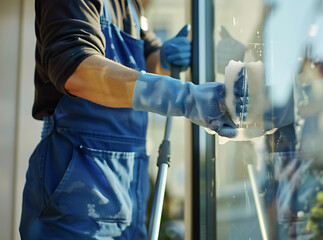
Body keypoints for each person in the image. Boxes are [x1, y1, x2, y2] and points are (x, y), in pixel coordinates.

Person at [20, 0, 245, 239]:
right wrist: (185, 98)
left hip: (129, 191)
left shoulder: (132, 7)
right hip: (76, 194)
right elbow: (77, 69)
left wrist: (166, 58)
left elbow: (147, 61)